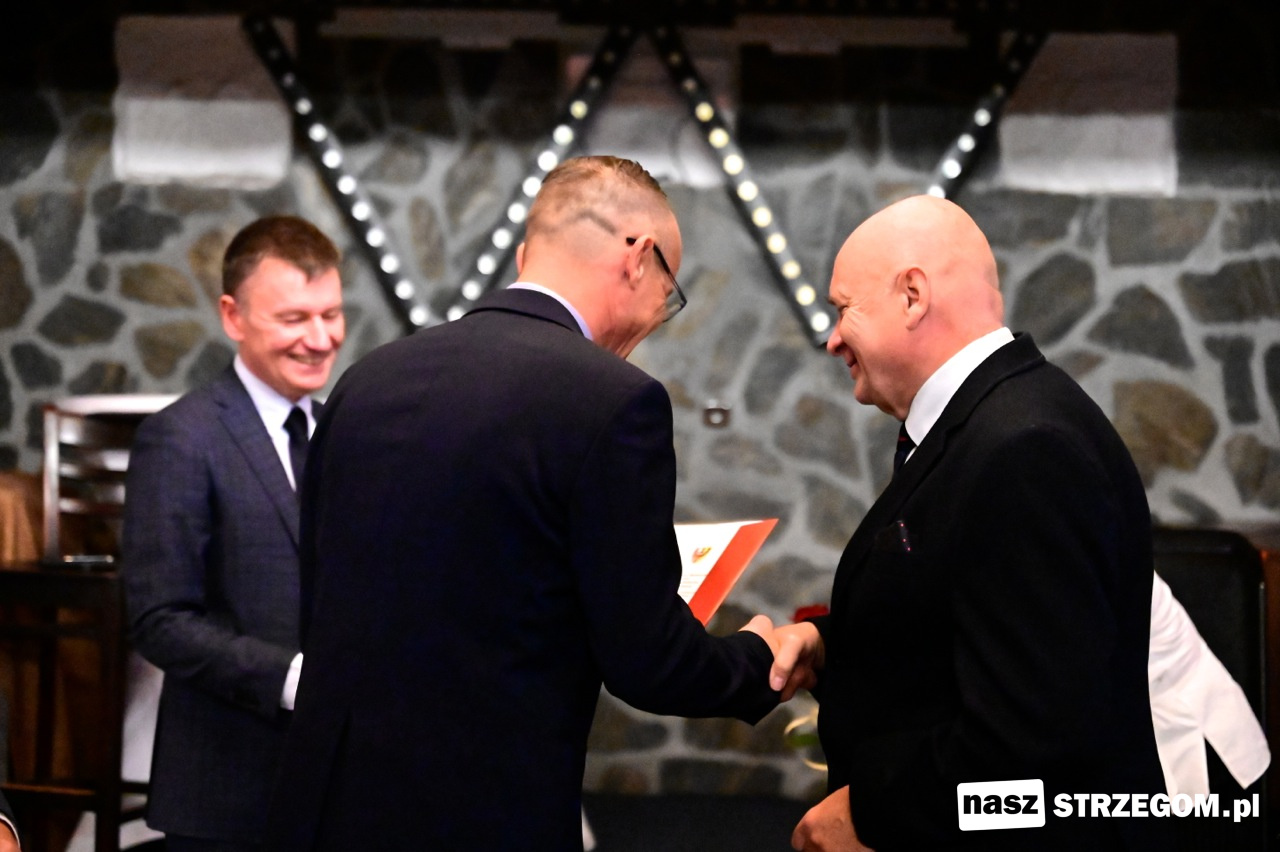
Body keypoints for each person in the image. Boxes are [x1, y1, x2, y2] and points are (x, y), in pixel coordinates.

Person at [263, 155, 781, 851]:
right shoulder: (614, 401)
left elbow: (321, 604)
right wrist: (760, 658)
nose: (660, 316)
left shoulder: (366, 379)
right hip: (478, 810)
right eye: (669, 290)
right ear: (638, 258)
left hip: (325, 807)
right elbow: (648, 663)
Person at [770, 195, 1167, 851]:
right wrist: (828, 645)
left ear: (913, 296)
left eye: (844, 308)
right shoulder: (993, 418)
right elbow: (955, 613)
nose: (832, 338)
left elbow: (1035, 744)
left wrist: (872, 814)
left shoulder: (1026, 447)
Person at [123, 215, 345, 851]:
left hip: (337, 791)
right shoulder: (182, 437)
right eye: (294, 318)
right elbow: (159, 618)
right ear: (233, 316)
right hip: (224, 791)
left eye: (331, 314)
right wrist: (290, 678)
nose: (320, 339)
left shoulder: (345, 433)